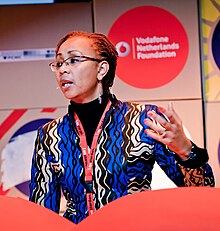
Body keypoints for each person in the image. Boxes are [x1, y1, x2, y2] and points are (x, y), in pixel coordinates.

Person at [29, 31, 215, 224]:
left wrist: (186, 151)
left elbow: (203, 189)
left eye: (74, 60)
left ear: (102, 69)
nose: (63, 70)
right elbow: (42, 215)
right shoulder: (49, 134)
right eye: (59, 63)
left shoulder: (144, 119)